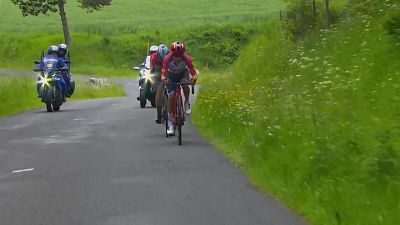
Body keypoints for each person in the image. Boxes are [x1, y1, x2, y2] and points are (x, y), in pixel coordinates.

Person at [162, 41, 198, 135]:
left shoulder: (187, 58)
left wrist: (194, 78)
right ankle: (170, 122)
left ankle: (186, 103)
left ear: (183, 53)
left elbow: (193, 72)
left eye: (180, 55)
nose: (178, 57)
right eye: (176, 55)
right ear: (172, 53)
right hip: (171, 75)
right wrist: (164, 79)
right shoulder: (167, 58)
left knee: (185, 84)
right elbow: (163, 73)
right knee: (171, 97)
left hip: (183, 73)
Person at [153, 44, 169, 124]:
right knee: (158, 95)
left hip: (168, 70)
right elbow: (153, 69)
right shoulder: (154, 57)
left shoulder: (170, 55)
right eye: (161, 58)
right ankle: (159, 115)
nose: (163, 59)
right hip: (158, 71)